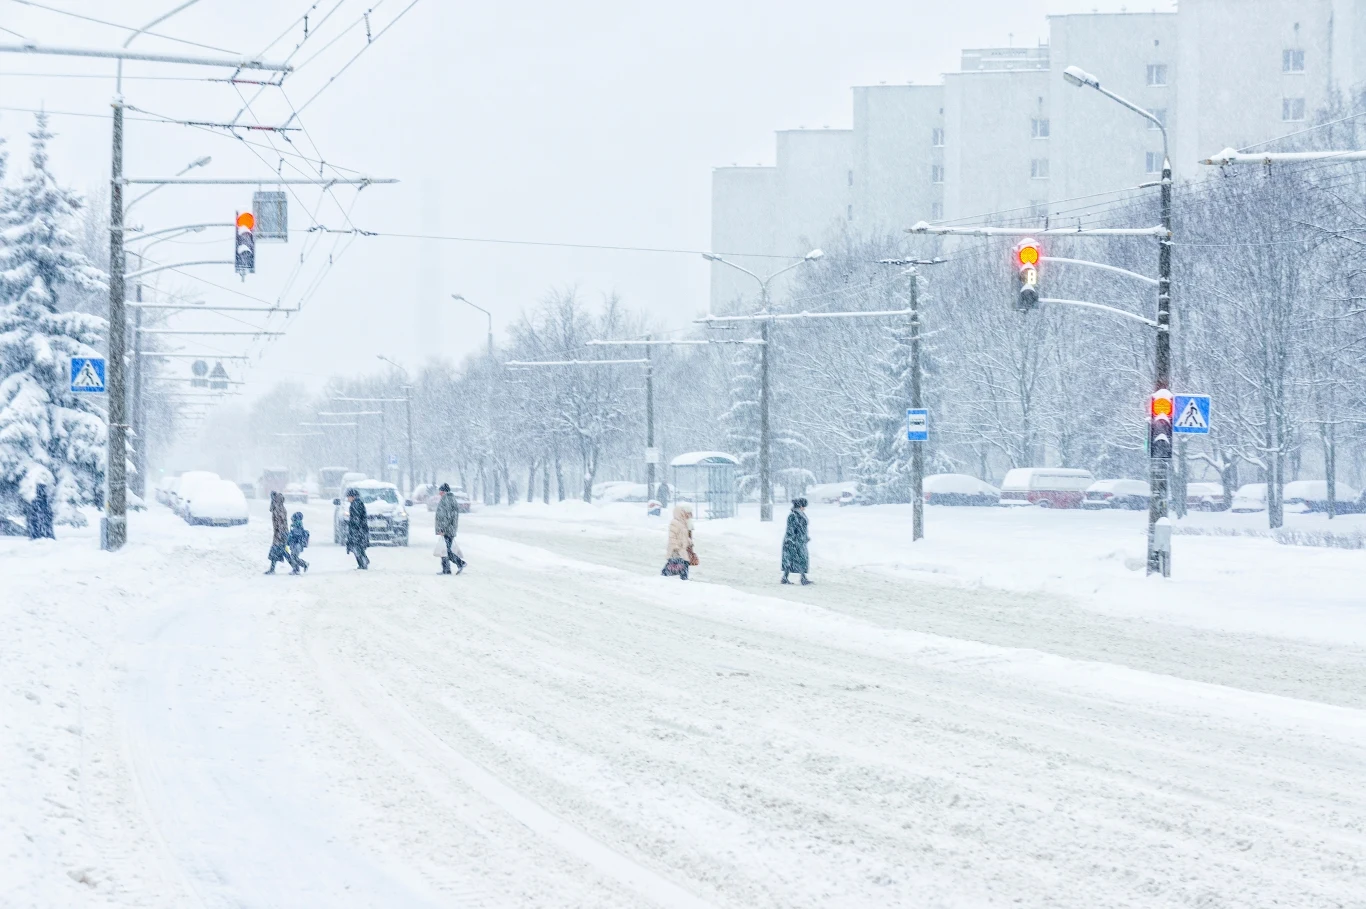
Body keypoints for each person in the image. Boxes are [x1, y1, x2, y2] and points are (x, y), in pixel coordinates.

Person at [434, 483, 466, 575]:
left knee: (446, 550)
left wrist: (442, 529)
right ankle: (446, 569)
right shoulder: (449, 499)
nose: (439, 492)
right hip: (449, 529)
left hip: (447, 530)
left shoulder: (447, 500)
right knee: (444, 549)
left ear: (444, 491)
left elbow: (446, 516)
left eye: (440, 491)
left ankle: (460, 563)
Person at [265, 491, 298, 574]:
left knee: (281, 552)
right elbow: (271, 509)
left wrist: (280, 535)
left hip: (281, 535)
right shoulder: (277, 507)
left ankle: (295, 567)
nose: (272, 500)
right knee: (277, 552)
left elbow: (281, 523)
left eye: (273, 499)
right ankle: (272, 569)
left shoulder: (279, 509)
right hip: (279, 534)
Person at [781, 497, 811, 585]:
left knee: (799, 559)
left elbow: (802, 528)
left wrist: (805, 537)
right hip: (793, 541)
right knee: (793, 559)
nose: (805, 508)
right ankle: (789, 578)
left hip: (799, 540)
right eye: (804, 506)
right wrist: (792, 540)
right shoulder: (793, 515)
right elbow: (791, 529)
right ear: (800, 506)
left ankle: (801, 577)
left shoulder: (799, 514)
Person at [661, 503, 694, 580]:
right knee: (678, 564)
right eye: (685, 512)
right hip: (676, 550)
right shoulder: (674, 523)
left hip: (682, 550)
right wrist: (675, 547)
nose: (686, 515)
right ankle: (664, 576)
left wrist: (689, 542)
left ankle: (684, 579)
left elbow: (683, 536)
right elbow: (672, 537)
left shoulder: (684, 523)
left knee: (684, 564)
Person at [345, 488, 370, 570]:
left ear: (353, 496)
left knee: (356, 546)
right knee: (359, 546)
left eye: (348, 497)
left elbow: (356, 519)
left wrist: (354, 528)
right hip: (361, 529)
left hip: (357, 530)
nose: (348, 498)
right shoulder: (358, 503)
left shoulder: (355, 505)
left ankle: (363, 562)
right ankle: (363, 561)